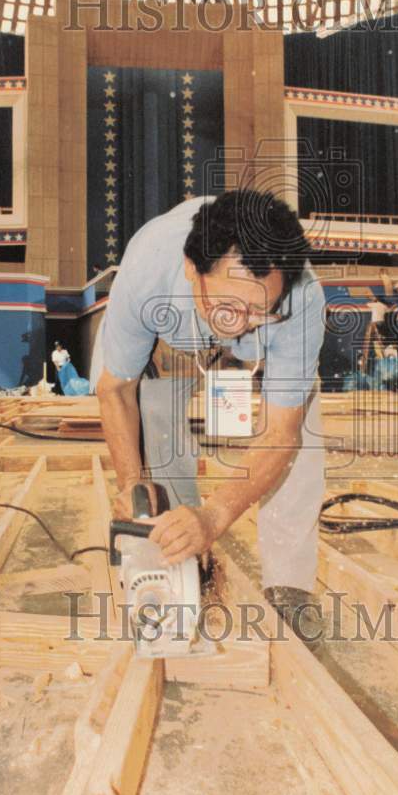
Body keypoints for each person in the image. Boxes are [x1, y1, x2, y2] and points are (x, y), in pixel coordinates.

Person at [90, 189, 326, 640]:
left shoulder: (301, 299)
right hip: (173, 338)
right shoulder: (148, 271)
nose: (238, 323)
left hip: (256, 341)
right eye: (228, 306)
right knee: (155, 420)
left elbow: (281, 430)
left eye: (257, 310)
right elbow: (116, 390)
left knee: (304, 428)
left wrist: (216, 515)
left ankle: (290, 583)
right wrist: (131, 484)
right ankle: (178, 549)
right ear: (191, 269)